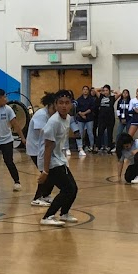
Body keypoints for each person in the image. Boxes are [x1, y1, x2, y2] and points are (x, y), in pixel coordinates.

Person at [37, 91, 78, 226]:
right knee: (68, 189)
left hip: (59, 158)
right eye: (60, 103)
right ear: (55, 105)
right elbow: (48, 147)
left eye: (67, 103)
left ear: (71, 104)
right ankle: (47, 216)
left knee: (73, 189)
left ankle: (64, 213)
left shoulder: (67, 118)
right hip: (50, 160)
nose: (64, 106)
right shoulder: (53, 122)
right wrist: (45, 171)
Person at [26, 92, 56, 206]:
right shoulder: (41, 115)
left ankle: (46, 195)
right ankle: (37, 198)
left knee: (52, 172)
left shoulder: (51, 115)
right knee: (46, 173)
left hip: (44, 148)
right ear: (49, 105)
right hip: (35, 149)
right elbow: (44, 133)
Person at [74, 85, 96, 155]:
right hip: (81, 119)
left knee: (90, 132)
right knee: (80, 133)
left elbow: (92, 108)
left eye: (87, 89)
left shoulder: (91, 99)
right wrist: (81, 114)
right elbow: (77, 108)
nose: (85, 91)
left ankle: (91, 146)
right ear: (82, 90)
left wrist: (85, 113)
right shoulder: (79, 99)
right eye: (84, 89)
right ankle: (80, 147)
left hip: (89, 118)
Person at [95, 84, 117, 155]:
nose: (105, 92)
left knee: (109, 133)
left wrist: (112, 91)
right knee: (100, 132)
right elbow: (95, 90)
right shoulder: (101, 96)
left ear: (109, 91)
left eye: (106, 90)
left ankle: (109, 146)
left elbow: (119, 93)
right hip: (102, 118)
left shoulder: (112, 98)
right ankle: (98, 146)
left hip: (110, 118)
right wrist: (101, 89)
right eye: (104, 90)